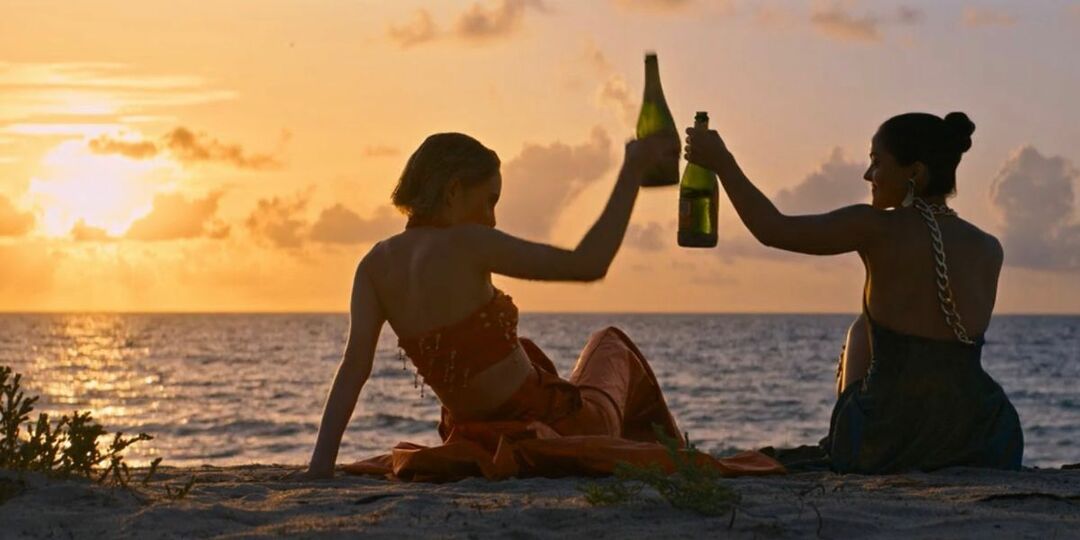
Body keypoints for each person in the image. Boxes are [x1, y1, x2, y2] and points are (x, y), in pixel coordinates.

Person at [296, 132, 784, 481]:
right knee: (611, 342)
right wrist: (631, 173)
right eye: (489, 200)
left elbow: (352, 370)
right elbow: (587, 263)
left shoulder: (373, 265)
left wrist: (320, 468)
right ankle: (673, 459)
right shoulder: (469, 244)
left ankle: (651, 455)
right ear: (452, 192)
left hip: (474, 429)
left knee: (529, 349)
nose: (492, 217)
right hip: (560, 426)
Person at [684, 112, 1023, 473]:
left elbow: (773, 228)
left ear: (915, 173)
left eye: (876, 162)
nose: (867, 175)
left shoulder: (873, 227)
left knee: (862, 329)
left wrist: (722, 163)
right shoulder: (990, 248)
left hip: (884, 439)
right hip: (983, 435)